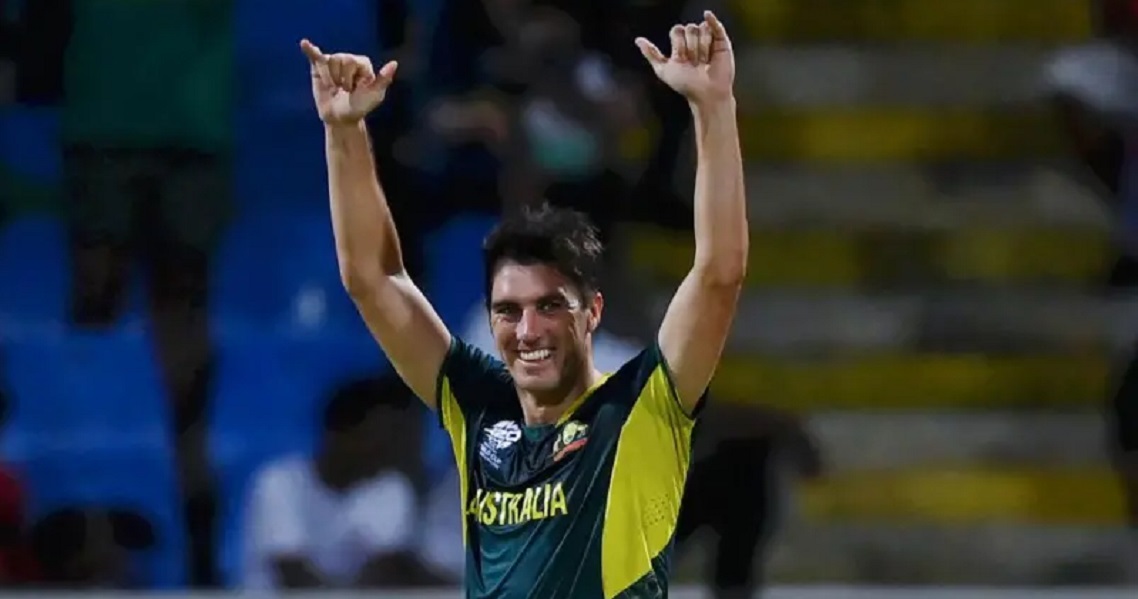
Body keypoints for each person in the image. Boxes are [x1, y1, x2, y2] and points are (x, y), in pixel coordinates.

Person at [300, 7, 746, 597]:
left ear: (592, 312)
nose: (527, 329)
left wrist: (713, 108)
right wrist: (345, 130)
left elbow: (718, 273)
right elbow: (372, 278)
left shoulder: (639, 406)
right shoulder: (480, 406)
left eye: (550, 306)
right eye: (507, 311)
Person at [242, 374, 436, 590]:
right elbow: (293, 575)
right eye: (377, 439)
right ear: (340, 434)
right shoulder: (278, 483)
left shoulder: (392, 488)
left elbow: (384, 569)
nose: (385, 451)